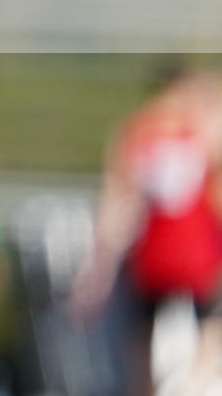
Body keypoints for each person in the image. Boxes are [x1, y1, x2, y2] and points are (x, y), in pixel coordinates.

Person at [73, 64, 222, 396]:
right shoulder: (201, 132)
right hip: (196, 255)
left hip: (151, 255)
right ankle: (192, 384)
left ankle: (149, 389)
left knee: (140, 341)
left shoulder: (136, 132)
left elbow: (117, 205)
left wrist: (98, 268)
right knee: (210, 329)